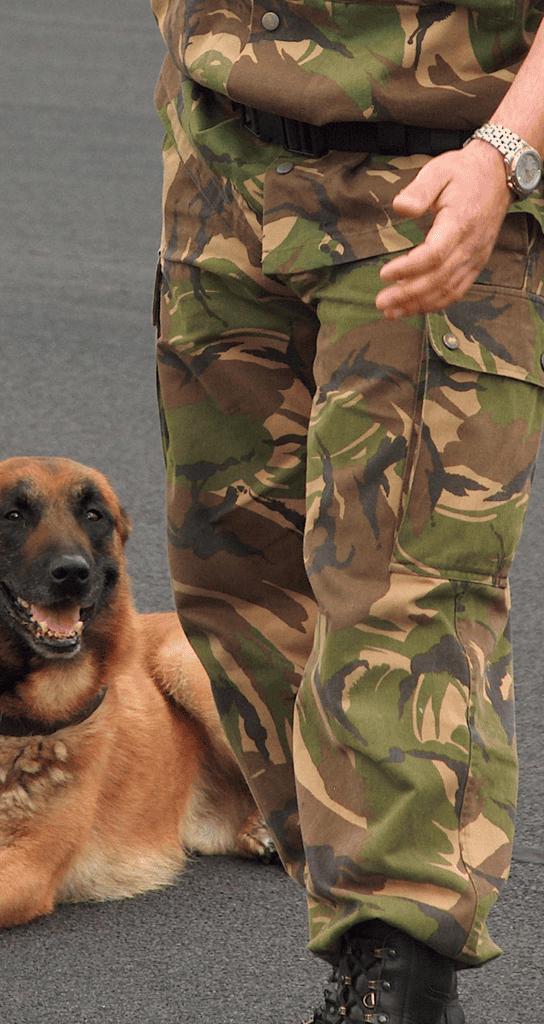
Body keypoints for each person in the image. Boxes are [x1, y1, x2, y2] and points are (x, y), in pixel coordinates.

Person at [149, 0, 543, 1018]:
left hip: (437, 179)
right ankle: (373, 942)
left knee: (399, 590)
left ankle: (395, 966)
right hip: (225, 172)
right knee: (231, 579)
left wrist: (506, 153)